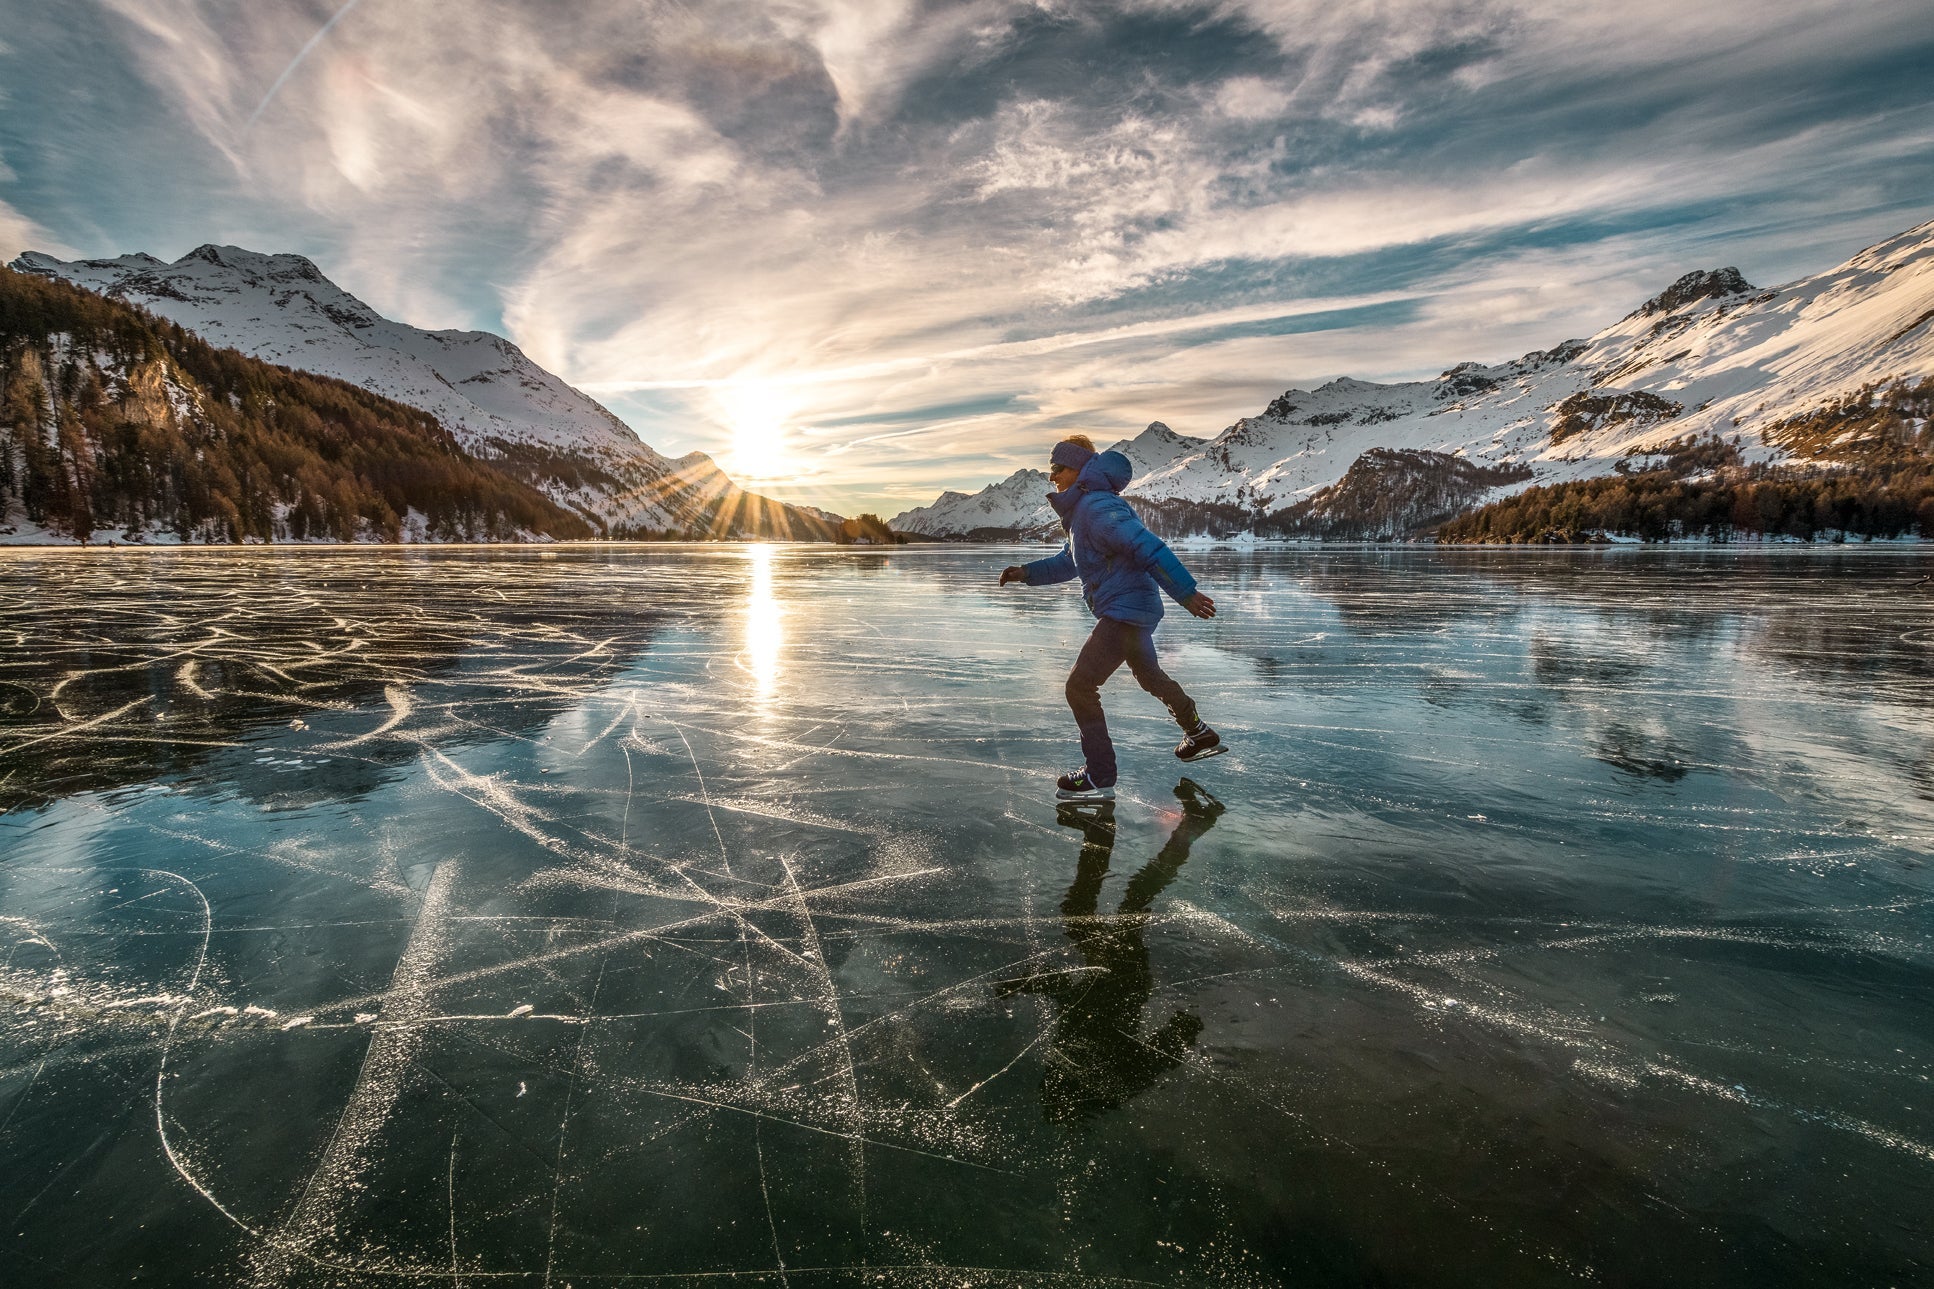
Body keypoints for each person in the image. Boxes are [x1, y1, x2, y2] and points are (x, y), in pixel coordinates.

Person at [998, 434, 1223, 802]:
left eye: (1057, 468)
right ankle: (1197, 732)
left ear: (1080, 469)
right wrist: (1026, 572)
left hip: (1126, 610)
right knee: (1149, 676)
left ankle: (1099, 774)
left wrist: (1186, 593)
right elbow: (1068, 562)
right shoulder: (1084, 512)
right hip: (1132, 609)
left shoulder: (1098, 508)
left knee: (1079, 687)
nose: (1052, 477)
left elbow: (1148, 547)